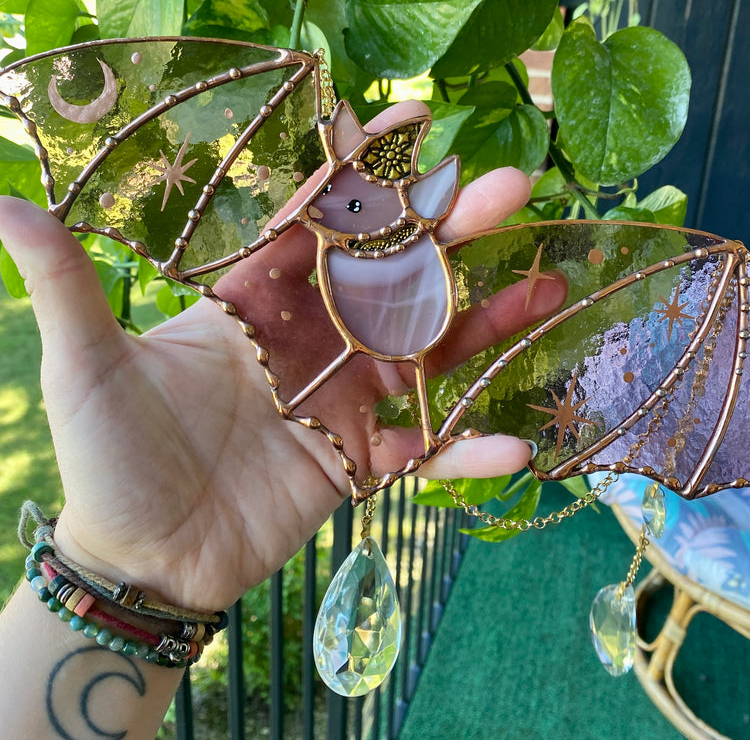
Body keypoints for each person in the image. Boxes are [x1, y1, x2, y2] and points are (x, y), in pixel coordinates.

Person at [0, 101, 565, 738]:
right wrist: (124, 565)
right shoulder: (331, 246)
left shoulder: (393, 247)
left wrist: (124, 570)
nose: (326, 215)